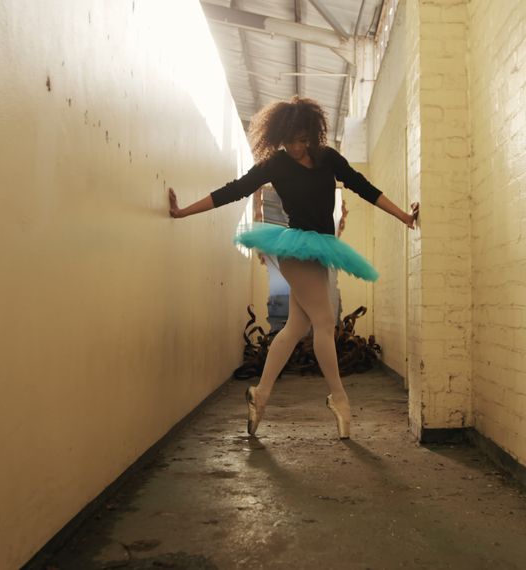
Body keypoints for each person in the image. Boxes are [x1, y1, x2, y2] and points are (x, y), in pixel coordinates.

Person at [167, 96, 418, 439]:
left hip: (321, 248)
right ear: (279, 138)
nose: (296, 147)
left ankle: (261, 394)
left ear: (312, 134)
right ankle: (340, 400)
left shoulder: (328, 158)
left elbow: (364, 187)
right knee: (325, 322)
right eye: (289, 141)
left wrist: (405, 216)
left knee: (296, 328)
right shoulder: (276, 164)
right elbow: (235, 190)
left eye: (301, 139)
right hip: (295, 249)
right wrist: (183, 212)